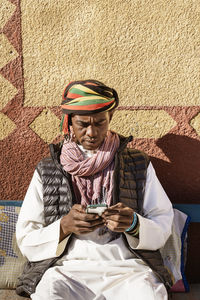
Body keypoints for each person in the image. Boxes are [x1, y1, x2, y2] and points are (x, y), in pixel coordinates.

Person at [16, 80, 174, 300]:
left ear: (110, 119)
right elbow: (26, 237)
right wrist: (64, 226)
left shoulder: (137, 163)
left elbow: (163, 221)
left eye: (100, 123)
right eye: (83, 124)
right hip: (66, 269)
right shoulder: (49, 169)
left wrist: (134, 224)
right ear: (69, 122)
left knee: (149, 294)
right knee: (49, 294)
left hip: (127, 268)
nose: (91, 132)